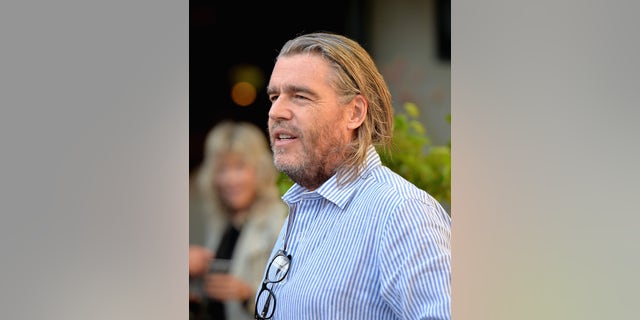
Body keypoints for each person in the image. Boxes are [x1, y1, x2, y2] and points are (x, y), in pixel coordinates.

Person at [253, 32, 451, 320]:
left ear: (354, 113)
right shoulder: (306, 204)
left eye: (300, 96)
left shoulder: (402, 213)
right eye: (274, 96)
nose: (276, 111)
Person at [189, 121, 287, 320]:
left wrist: (248, 295)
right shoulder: (222, 221)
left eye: (240, 167)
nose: (230, 180)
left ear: (259, 170)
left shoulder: (278, 220)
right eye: (222, 169)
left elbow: (295, 302)